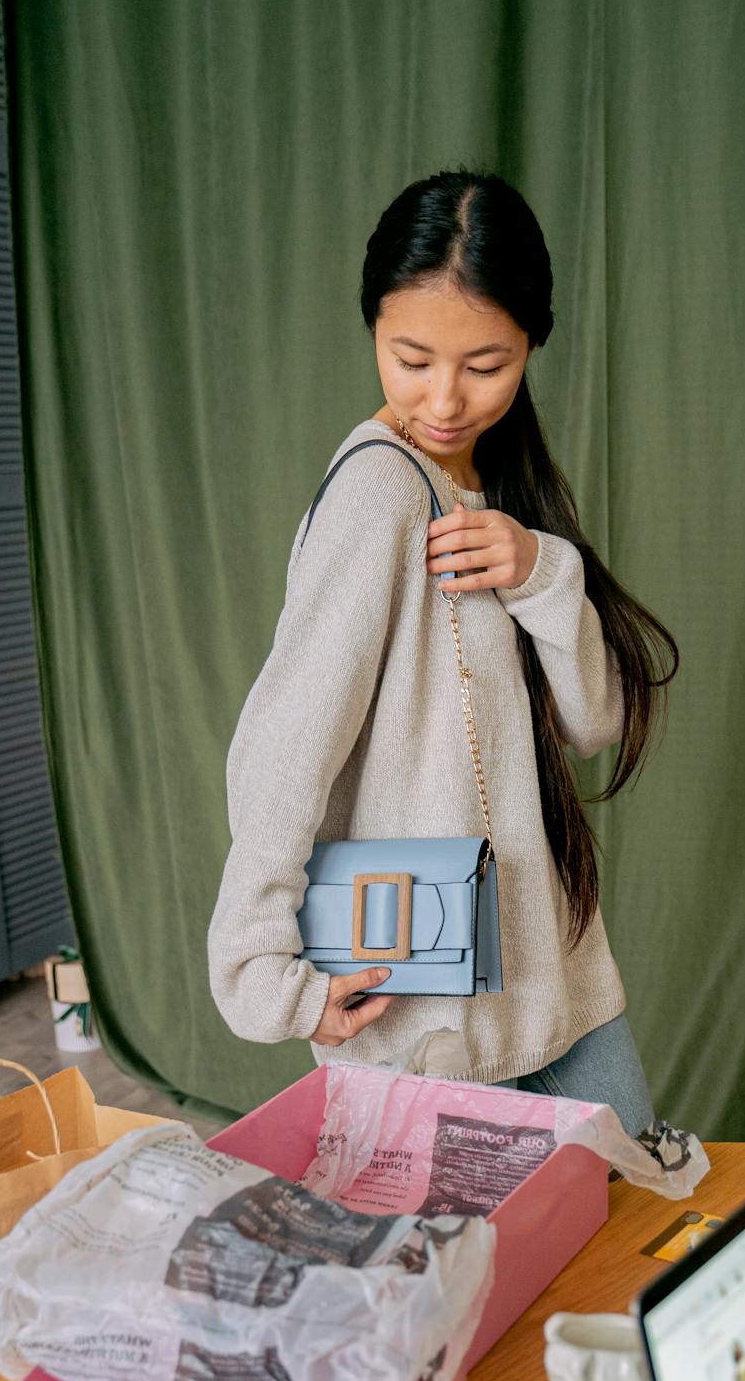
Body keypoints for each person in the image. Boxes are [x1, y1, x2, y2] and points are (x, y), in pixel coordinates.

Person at [207, 172, 680, 1136]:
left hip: (557, 979)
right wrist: (263, 974)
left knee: (629, 1242)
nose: (446, 399)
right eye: (410, 357)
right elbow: (285, 746)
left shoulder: (502, 489)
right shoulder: (378, 494)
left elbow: (597, 724)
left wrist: (543, 570)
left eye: (487, 364)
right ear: (372, 329)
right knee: (478, 1282)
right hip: (426, 1008)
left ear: (531, 346)